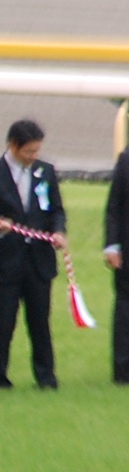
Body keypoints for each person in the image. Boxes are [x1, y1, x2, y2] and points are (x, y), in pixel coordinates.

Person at [0, 119, 67, 390]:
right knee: (4, 322)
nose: (33, 156)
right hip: (6, 263)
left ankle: (46, 376)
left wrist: (58, 231)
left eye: (36, 150)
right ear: (13, 146)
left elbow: (56, 210)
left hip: (39, 262)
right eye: (29, 151)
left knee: (40, 322)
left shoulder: (45, 172)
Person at [105, 147, 129, 384]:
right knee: (125, 310)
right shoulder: (126, 159)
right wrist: (111, 245)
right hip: (127, 251)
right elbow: (115, 205)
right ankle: (123, 371)